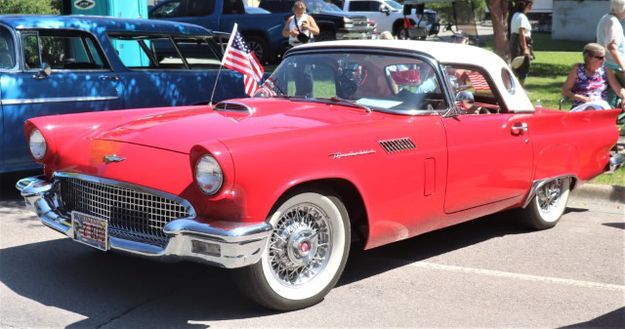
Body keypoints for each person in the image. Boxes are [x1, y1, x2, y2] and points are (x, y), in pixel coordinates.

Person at [562, 43, 625, 111]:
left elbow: (618, 89)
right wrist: (583, 98)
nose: (604, 60)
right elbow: (565, 91)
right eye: (600, 58)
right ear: (589, 58)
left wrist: (624, 97)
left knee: (592, 108)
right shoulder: (577, 69)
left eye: (604, 57)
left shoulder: (606, 70)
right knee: (589, 109)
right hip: (580, 105)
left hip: (600, 105)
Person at [596, 0, 625, 108]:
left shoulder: (605, 18)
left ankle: (611, 115)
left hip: (608, 64)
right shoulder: (614, 23)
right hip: (615, 66)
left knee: (613, 94)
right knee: (615, 94)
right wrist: (623, 66)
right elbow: (612, 47)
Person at [509, 0, 533, 86]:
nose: (531, 7)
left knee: (517, 66)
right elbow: (521, 32)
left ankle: (517, 87)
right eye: (530, 5)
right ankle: (520, 89)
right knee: (523, 67)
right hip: (519, 44)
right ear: (526, 5)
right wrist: (525, 48)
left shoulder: (516, 15)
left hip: (516, 43)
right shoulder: (521, 16)